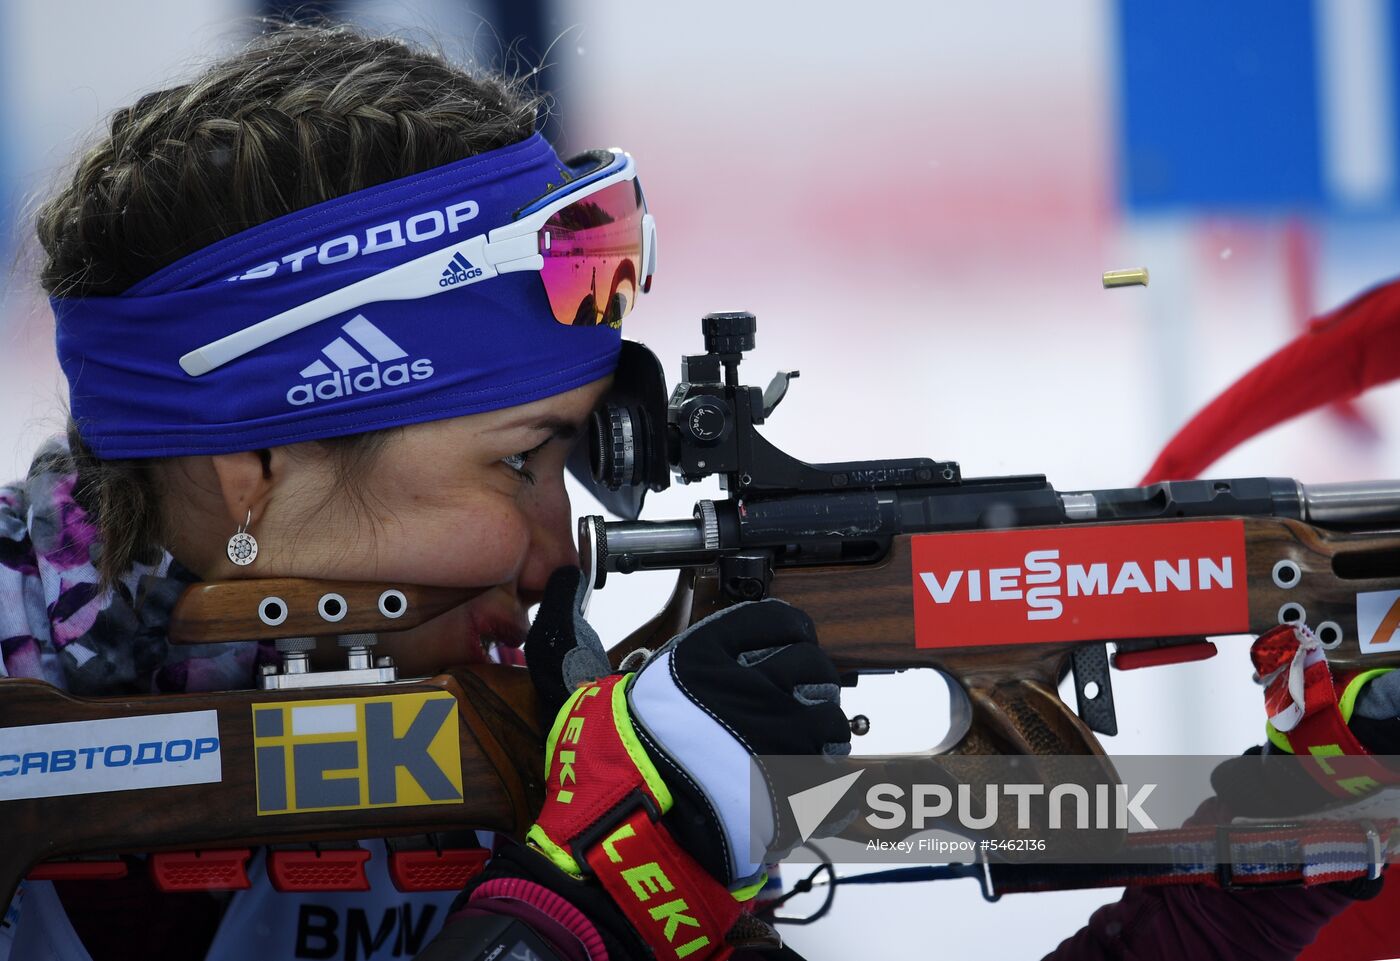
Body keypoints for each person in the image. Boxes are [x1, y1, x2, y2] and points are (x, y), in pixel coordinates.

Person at [0, 20, 1387, 961]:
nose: (562, 547)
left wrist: (1257, 869)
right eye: (518, 462)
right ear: (252, 472)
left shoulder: (517, 733)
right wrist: (579, 911)